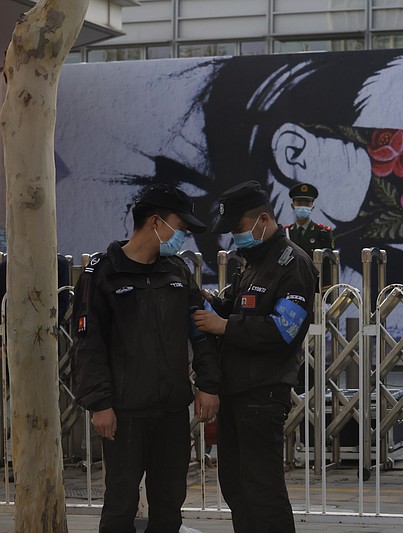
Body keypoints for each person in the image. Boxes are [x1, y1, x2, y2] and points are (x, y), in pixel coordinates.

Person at [72, 183, 220, 533]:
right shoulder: (103, 273)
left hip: (171, 410)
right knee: (121, 504)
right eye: (179, 227)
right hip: (124, 414)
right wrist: (99, 404)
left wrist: (208, 385)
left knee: (169, 504)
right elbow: (88, 343)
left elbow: (200, 331)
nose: (181, 236)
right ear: (156, 222)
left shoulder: (177, 272)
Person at [193, 180, 317, 533]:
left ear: (263, 219)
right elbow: (230, 304)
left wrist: (223, 326)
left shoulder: (293, 264)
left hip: (262, 393)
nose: (235, 237)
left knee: (263, 489)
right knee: (235, 485)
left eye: (238, 228)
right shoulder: (252, 263)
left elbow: (282, 330)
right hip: (235, 391)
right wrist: (204, 300)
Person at [284, 182, 334, 288]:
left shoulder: (322, 233)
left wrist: (326, 295)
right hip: (290, 286)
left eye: (307, 203)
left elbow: (327, 268)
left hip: (314, 288)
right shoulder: (285, 233)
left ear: (312, 206)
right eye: (299, 202)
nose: (303, 207)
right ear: (292, 205)